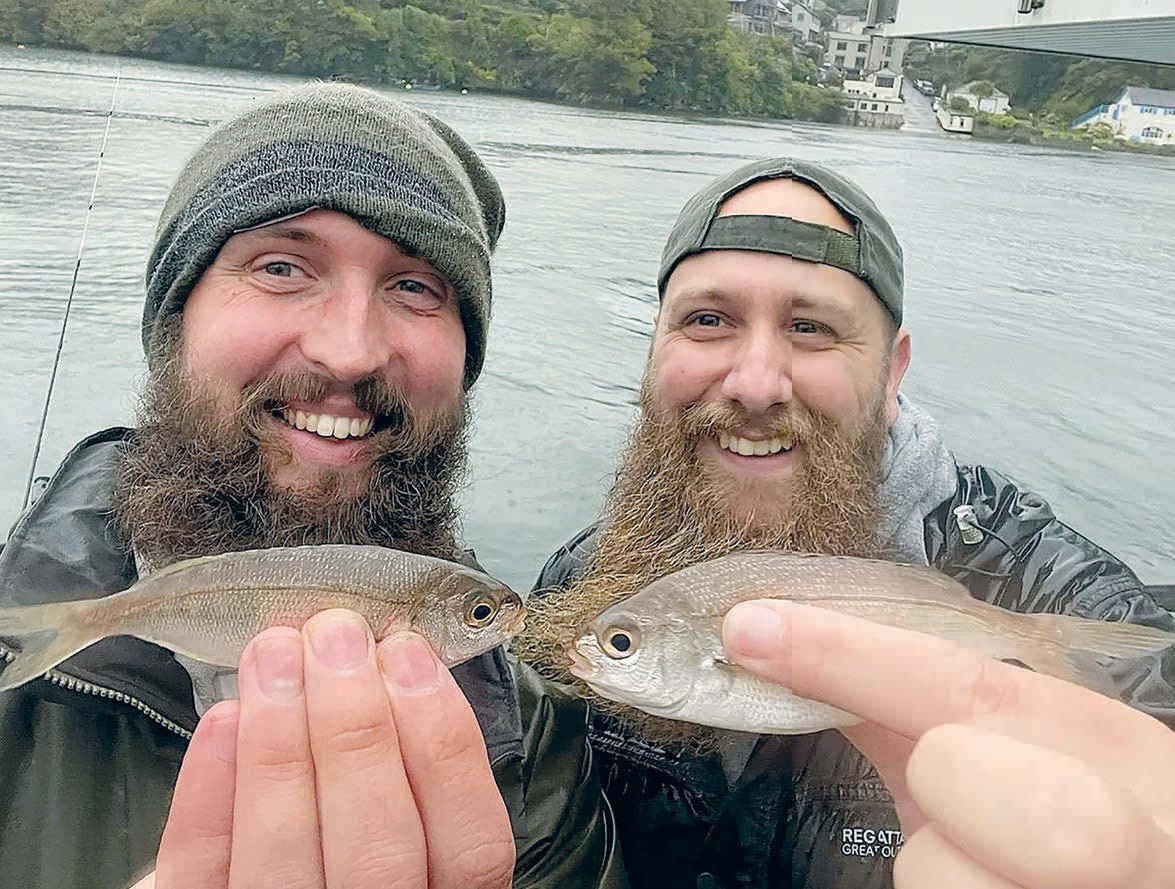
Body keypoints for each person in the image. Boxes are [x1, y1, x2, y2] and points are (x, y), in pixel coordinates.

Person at [0, 83, 623, 889]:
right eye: (282, 266)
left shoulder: (539, 748)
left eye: (416, 286)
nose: (350, 350)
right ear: (173, 324)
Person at [524, 157, 1175, 889]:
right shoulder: (583, 581)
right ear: (654, 350)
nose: (755, 384)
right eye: (707, 321)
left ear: (892, 372)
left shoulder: (1043, 587)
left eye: (811, 328)